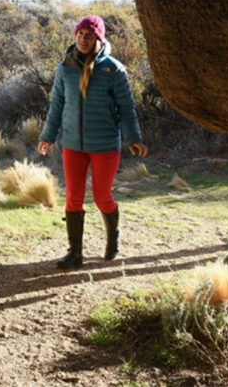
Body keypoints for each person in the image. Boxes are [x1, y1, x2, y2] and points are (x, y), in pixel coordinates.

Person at [37, 14, 148, 269]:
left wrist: (134, 138)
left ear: (98, 39)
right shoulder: (65, 67)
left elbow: (127, 108)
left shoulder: (113, 69)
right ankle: (75, 253)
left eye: (89, 36)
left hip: (105, 145)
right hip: (73, 144)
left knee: (101, 197)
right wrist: (47, 136)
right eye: (80, 35)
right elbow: (56, 105)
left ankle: (113, 237)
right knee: (73, 198)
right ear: (75, 35)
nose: (83, 40)